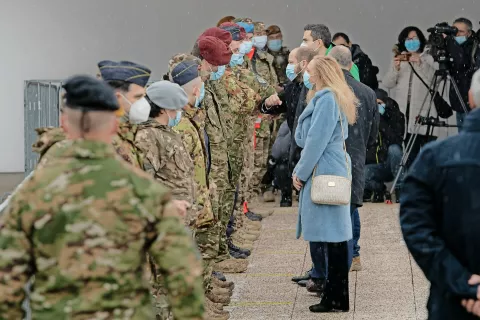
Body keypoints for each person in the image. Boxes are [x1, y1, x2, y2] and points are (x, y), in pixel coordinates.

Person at [0, 75, 205, 319]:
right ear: (114, 125)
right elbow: (182, 271)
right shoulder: (144, 191)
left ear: (64, 124)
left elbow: (8, 278)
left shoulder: (33, 193)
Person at [400, 69, 480, 320]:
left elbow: (417, 227)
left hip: (451, 302)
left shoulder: (434, 158)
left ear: (470, 98)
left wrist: (465, 284)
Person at [168, 55, 234, 320]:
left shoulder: (191, 118)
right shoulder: (183, 125)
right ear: (196, 90)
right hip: (186, 203)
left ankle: (199, 299)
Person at [292, 56, 357, 313]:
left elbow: (315, 142)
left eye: (308, 71)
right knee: (335, 237)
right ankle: (335, 295)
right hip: (332, 166)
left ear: (320, 73)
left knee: (335, 238)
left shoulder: (327, 99)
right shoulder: (331, 97)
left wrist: (301, 172)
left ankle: (335, 297)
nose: (305, 75)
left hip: (324, 170)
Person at [191, 27, 252, 275]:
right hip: (209, 162)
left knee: (221, 206)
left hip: (221, 155)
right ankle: (210, 267)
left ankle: (217, 257)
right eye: (215, 65)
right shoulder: (196, 84)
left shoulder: (208, 82)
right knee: (207, 215)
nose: (218, 70)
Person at [33, 60, 152, 168]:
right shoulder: (100, 138)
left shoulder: (125, 132)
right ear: (117, 98)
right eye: (138, 97)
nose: (144, 103)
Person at [329, 45, 379, 272]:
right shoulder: (368, 93)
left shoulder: (329, 90)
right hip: (356, 156)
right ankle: (354, 254)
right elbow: (373, 133)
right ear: (351, 65)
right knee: (351, 205)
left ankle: (335, 262)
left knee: (334, 209)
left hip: (332, 158)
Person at [259, 46, 317, 207]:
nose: (288, 66)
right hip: (297, 144)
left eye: (291, 62)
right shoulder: (293, 87)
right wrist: (267, 104)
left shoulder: (320, 88)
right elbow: (274, 104)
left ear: (303, 64)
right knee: (282, 162)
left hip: (314, 145)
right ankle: (287, 194)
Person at [383, 26, 448, 162]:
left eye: (415, 38)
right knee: (409, 155)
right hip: (404, 113)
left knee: (426, 154)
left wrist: (420, 63)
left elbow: (435, 81)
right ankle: (410, 180)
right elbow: (388, 83)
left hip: (424, 113)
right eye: (408, 39)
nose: (411, 41)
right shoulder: (400, 59)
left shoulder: (428, 58)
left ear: (421, 40)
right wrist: (395, 68)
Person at [365, 89, 405, 203]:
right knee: (362, 175)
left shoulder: (396, 116)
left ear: (385, 103)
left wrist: (381, 122)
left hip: (390, 163)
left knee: (394, 150)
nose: (377, 107)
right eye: (375, 104)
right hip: (376, 165)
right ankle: (379, 189)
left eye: (380, 103)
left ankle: (400, 189)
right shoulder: (369, 117)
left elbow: (396, 140)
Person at [446, 17, 477, 130]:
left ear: (469, 33)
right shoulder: (450, 46)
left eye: (461, 31)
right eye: (454, 31)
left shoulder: (474, 48)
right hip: (458, 103)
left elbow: (462, 63)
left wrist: (451, 43)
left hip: (472, 104)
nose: (457, 34)